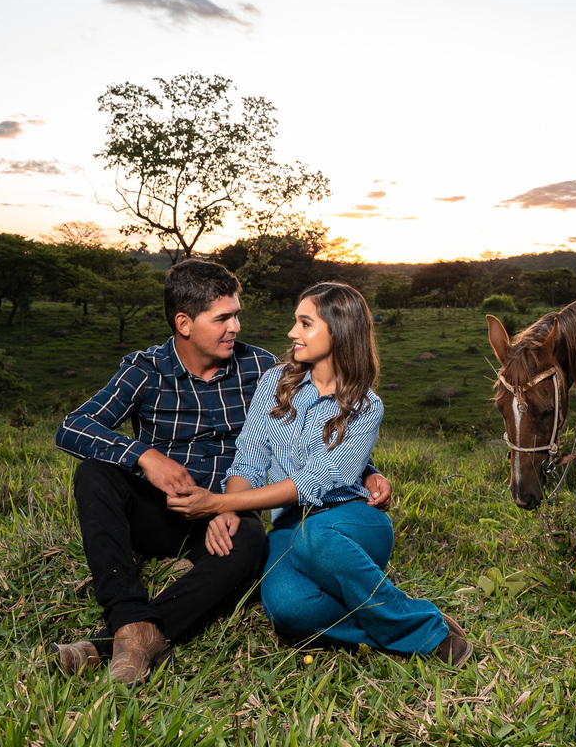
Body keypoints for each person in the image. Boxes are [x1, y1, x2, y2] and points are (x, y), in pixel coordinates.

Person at [52, 260, 392, 685]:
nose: (235, 327)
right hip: (162, 509)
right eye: (222, 318)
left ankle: (114, 644)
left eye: (237, 314)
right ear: (184, 323)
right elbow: (72, 427)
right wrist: (145, 456)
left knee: (251, 544)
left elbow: (309, 431)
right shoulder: (146, 370)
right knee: (93, 475)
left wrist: (365, 469)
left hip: (228, 513)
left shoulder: (259, 369)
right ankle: (129, 617)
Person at [174, 282, 472, 666]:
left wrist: (217, 501)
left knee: (315, 535)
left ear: (338, 330)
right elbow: (248, 459)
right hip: (287, 528)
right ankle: (391, 617)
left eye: (305, 323)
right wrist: (228, 509)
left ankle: (426, 631)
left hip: (350, 522)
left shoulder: (367, 406)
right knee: (288, 609)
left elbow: (313, 482)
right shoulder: (274, 382)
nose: (292, 333)